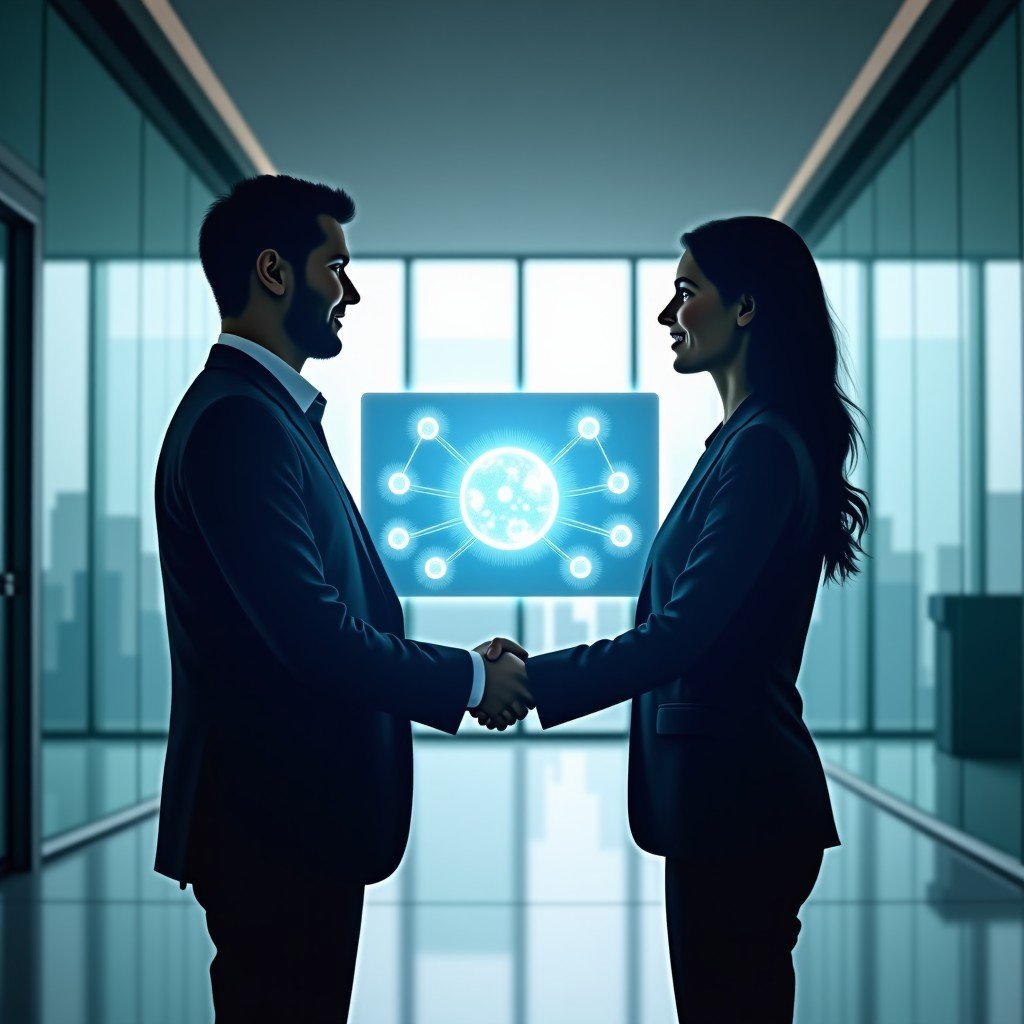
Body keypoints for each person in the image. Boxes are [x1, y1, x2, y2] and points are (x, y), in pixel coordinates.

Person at [153, 174, 533, 1022]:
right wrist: (470, 681)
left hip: (291, 820)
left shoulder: (270, 415)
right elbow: (313, 635)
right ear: (274, 272)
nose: (350, 292)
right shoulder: (239, 424)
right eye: (337, 268)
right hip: (276, 825)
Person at [476, 216, 869, 1023]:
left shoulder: (761, 448)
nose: (667, 315)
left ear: (747, 309)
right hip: (728, 802)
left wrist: (531, 681)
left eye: (687, 293)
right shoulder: (741, 442)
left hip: (739, 805)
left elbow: (684, 632)